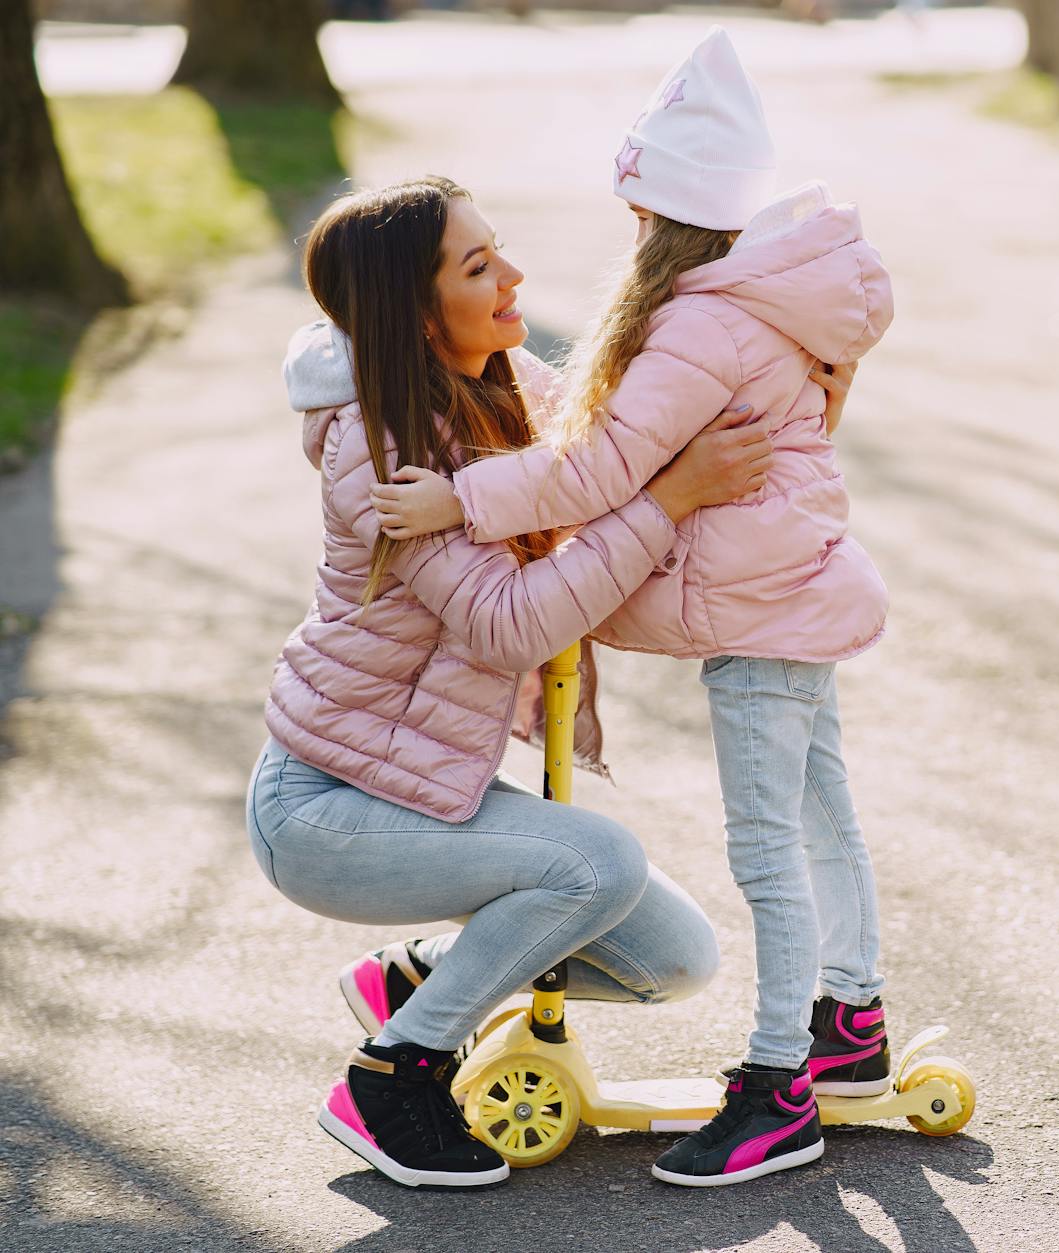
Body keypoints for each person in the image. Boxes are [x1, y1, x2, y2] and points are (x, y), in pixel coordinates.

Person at [368, 29, 895, 1187]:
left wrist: (458, 498)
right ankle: (849, 1023)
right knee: (821, 819)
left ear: (660, 212)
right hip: (793, 592)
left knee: (768, 849)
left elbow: (599, 468)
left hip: (762, 615)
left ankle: (778, 1088)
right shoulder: (760, 299)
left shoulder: (702, 321)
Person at [247, 174, 775, 1190]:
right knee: (597, 864)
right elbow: (508, 622)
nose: (514, 277)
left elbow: (608, 452)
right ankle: (394, 1074)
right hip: (327, 807)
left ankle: (416, 981)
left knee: (672, 959)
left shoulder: (502, 381)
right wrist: (673, 498)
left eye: (499, 251)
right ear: (415, 310)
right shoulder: (378, 448)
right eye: (479, 266)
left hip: (423, 786)